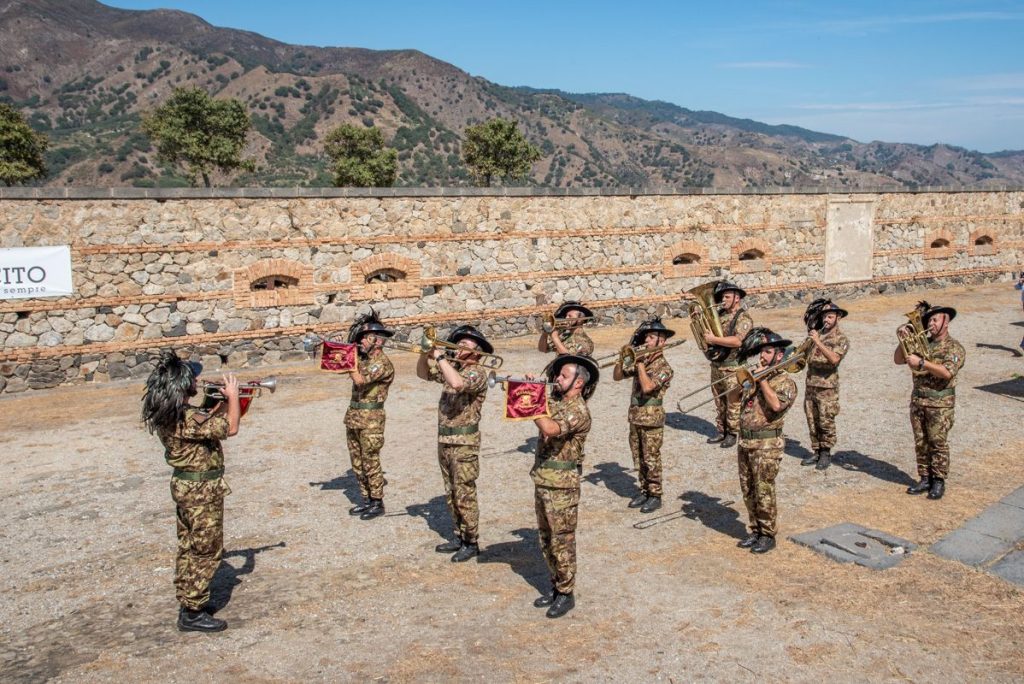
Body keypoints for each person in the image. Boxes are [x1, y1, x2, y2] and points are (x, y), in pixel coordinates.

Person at [142, 350, 240, 633]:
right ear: (184, 386)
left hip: (187, 487)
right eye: (194, 379)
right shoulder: (185, 418)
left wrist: (216, 401)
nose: (198, 381)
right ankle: (192, 611)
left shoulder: (173, 414)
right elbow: (230, 428)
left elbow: (208, 422)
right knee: (207, 550)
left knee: (188, 546)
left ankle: (188, 598)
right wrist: (233, 396)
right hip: (201, 491)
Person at [529, 353, 599, 619]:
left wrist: (529, 398)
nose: (557, 378)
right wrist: (529, 388)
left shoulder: (579, 411)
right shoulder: (556, 401)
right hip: (544, 479)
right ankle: (555, 585)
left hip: (562, 487)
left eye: (564, 376)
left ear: (579, 383)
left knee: (562, 541)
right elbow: (542, 408)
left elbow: (549, 428)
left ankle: (566, 592)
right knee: (546, 538)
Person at [417, 325, 492, 562]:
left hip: (465, 442)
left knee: (464, 492)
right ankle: (459, 535)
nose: (459, 347)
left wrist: (439, 356)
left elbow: (458, 384)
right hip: (445, 439)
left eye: (466, 345)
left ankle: (472, 541)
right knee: (450, 491)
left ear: (477, 352)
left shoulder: (477, 372)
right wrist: (425, 353)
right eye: (458, 343)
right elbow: (423, 374)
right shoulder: (454, 367)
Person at [730, 328, 798, 555]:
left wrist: (762, 381)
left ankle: (768, 534)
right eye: (762, 353)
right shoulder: (754, 378)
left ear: (779, 355)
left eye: (768, 352)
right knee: (748, 490)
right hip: (746, 442)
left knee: (763, 490)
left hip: (767, 445)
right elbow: (731, 398)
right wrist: (743, 383)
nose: (762, 357)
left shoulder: (785, 382)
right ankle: (755, 530)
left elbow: (776, 406)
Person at [894, 301, 965, 500]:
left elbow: (946, 372)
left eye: (935, 319)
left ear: (946, 321)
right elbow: (898, 359)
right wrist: (903, 339)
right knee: (921, 442)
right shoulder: (921, 342)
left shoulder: (954, 347)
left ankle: (938, 481)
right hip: (918, 401)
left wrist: (923, 362)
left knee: (938, 443)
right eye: (929, 320)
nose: (931, 324)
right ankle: (924, 478)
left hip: (940, 405)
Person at [613, 318, 675, 513]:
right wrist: (622, 357)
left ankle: (655, 494)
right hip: (635, 416)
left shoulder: (664, 367)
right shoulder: (643, 360)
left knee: (651, 457)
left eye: (651, 337)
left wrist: (639, 364)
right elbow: (617, 376)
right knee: (637, 456)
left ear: (662, 341)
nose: (646, 340)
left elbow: (648, 387)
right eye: (646, 336)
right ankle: (644, 489)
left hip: (652, 418)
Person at [344, 309, 396, 520]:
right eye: (362, 337)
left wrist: (346, 357)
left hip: (371, 421)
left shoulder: (382, 364)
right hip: (354, 417)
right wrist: (339, 351)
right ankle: (366, 499)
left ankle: (377, 501)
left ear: (378, 341)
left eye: (367, 338)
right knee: (357, 461)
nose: (363, 341)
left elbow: (359, 380)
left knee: (370, 460)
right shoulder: (363, 360)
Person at [801, 299, 851, 470]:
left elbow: (834, 359)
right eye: (824, 317)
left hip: (827, 388)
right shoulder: (818, 334)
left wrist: (818, 342)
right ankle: (816, 450)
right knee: (812, 419)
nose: (826, 320)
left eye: (830, 317)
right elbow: (803, 356)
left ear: (838, 318)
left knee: (825, 420)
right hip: (811, 384)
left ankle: (826, 453)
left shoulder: (841, 339)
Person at [704, 281, 754, 448]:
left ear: (737, 298)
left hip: (734, 367)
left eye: (726, 296)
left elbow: (737, 341)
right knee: (719, 401)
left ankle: (733, 433)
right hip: (718, 365)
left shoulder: (743, 317)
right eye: (722, 297)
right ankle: (721, 430)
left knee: (733, 401)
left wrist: (714, 339)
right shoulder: (720, 314)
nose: (723, 299)